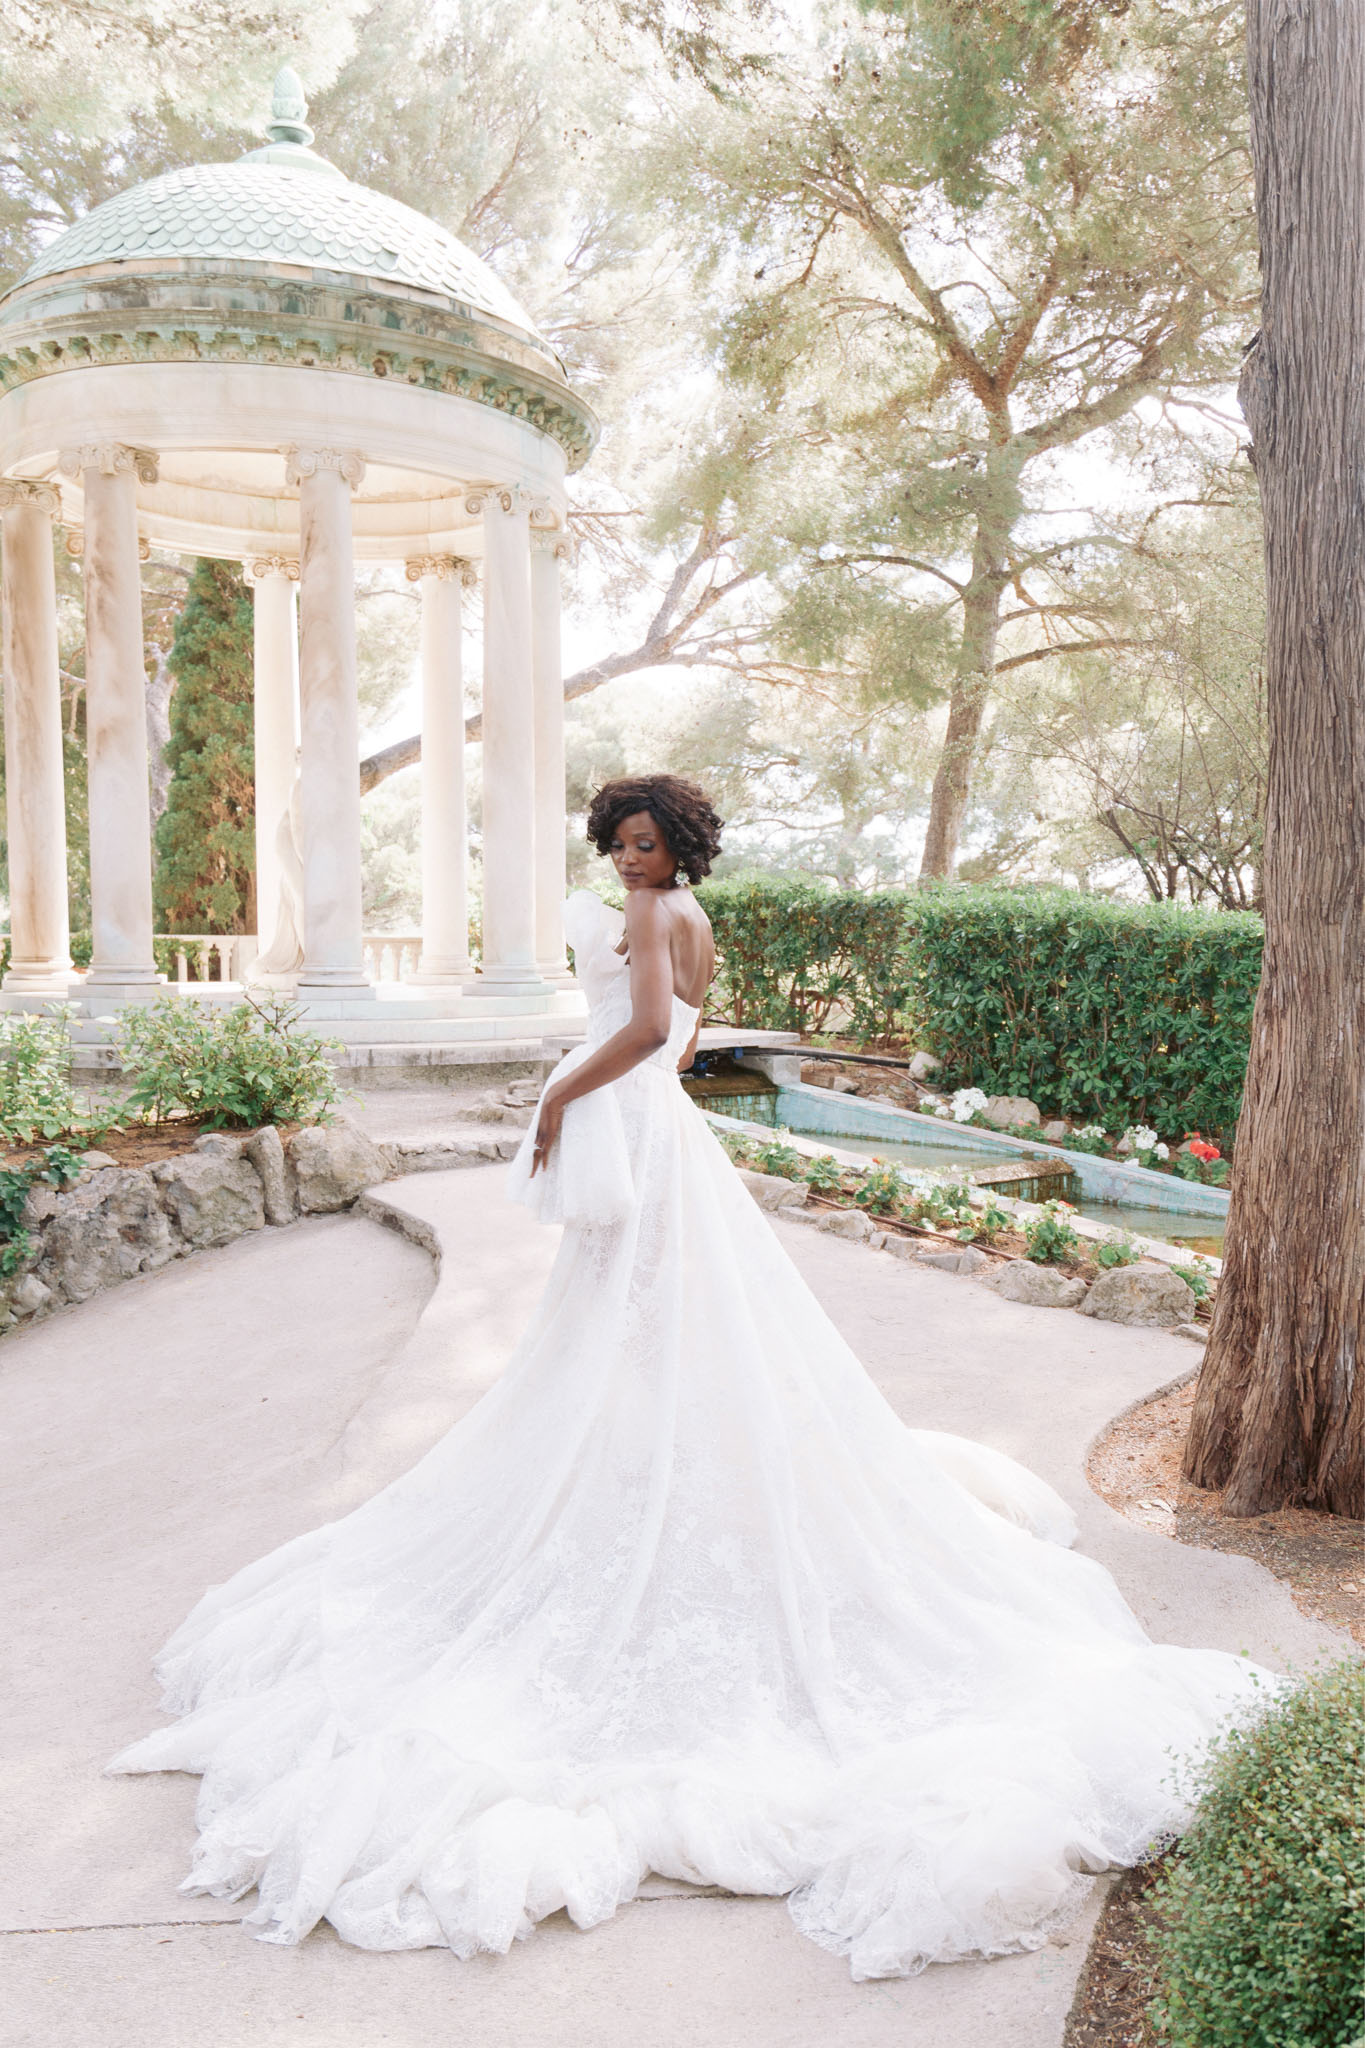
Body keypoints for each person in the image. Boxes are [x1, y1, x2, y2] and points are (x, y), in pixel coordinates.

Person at [110, 773, 1276, 1980]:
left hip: (631, 1114)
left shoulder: (662, 919)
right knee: (632, 1326)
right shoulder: (689, 916)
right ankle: (639, 1457)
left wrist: (560, 1091)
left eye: (647, 840)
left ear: (681, 846)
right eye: (616, 839)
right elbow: (683, 1033)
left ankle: (648, 1470)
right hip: (659, 1127)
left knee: (634, 1320)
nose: (628, 856)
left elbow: (640, 1030)